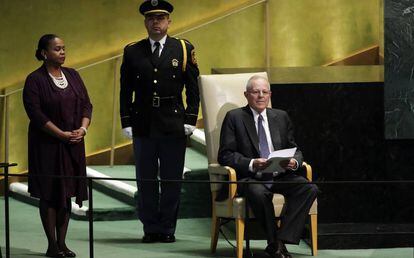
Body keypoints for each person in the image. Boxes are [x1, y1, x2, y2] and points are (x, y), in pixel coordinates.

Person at [119, 0, 200, 243]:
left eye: (161, 18)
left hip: (173, 123)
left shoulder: (183, 49)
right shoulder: (133, 51)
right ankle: (150, 227)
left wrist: (190, 118)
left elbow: (193, 88)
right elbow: (125, 90)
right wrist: (126, 121)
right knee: (145, 179)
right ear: (145, 22)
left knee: (171, 179)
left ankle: (167, 228)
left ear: (169, 21)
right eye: (152, 18)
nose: (156, 22)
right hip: (143, 123)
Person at [218, 75, 318, 258]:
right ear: (246, 95)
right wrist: (251, 163)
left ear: (270, 94)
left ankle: (279, 241)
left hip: (279, 174)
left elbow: (295, 148)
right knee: (259, 192)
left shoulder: (280, 116)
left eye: (265, 92)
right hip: (250, 178)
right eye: (256, 92)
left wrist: (294, 162)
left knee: (308, 188)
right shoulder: (235, 117)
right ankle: (275, 243)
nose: (261, 96)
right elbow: (225, 155)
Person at [23, 34, 92, 258]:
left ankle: (62, 243)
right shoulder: (35, 80)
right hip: (47, 145)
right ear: (44, 53)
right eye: (57, 49)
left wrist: (82, 129)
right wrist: (60, 134)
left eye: (64, 48)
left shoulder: (73, 75)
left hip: (73, 144)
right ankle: (52, 245)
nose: (62, 52)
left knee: (66, 193)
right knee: (50, 194)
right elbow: (35, 113)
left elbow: (86, 105)